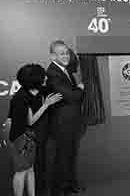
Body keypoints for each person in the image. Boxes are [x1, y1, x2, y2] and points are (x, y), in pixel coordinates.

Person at [8, 64, 62, 196]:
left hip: (30, 137)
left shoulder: (37, 91)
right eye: (43, 76)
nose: (45, 78)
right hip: (19, 137)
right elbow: (30, 121)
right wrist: (46, 105)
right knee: (21, 171)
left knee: (31, 169)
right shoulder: (21, 98)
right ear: (34, 81)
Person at [46, 40, 85, 196]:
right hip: (62, 123)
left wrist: (76, 92)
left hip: (71, 122)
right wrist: (80, 88)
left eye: (67, 53)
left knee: (70, 156)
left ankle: (68, 185)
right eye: (61, 53)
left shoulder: (65, 70)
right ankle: (57, 191)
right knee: (62, 158)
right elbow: (71, 96)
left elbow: (73, 96)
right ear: (52, 56)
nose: (66, 56)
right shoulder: (52, 73)